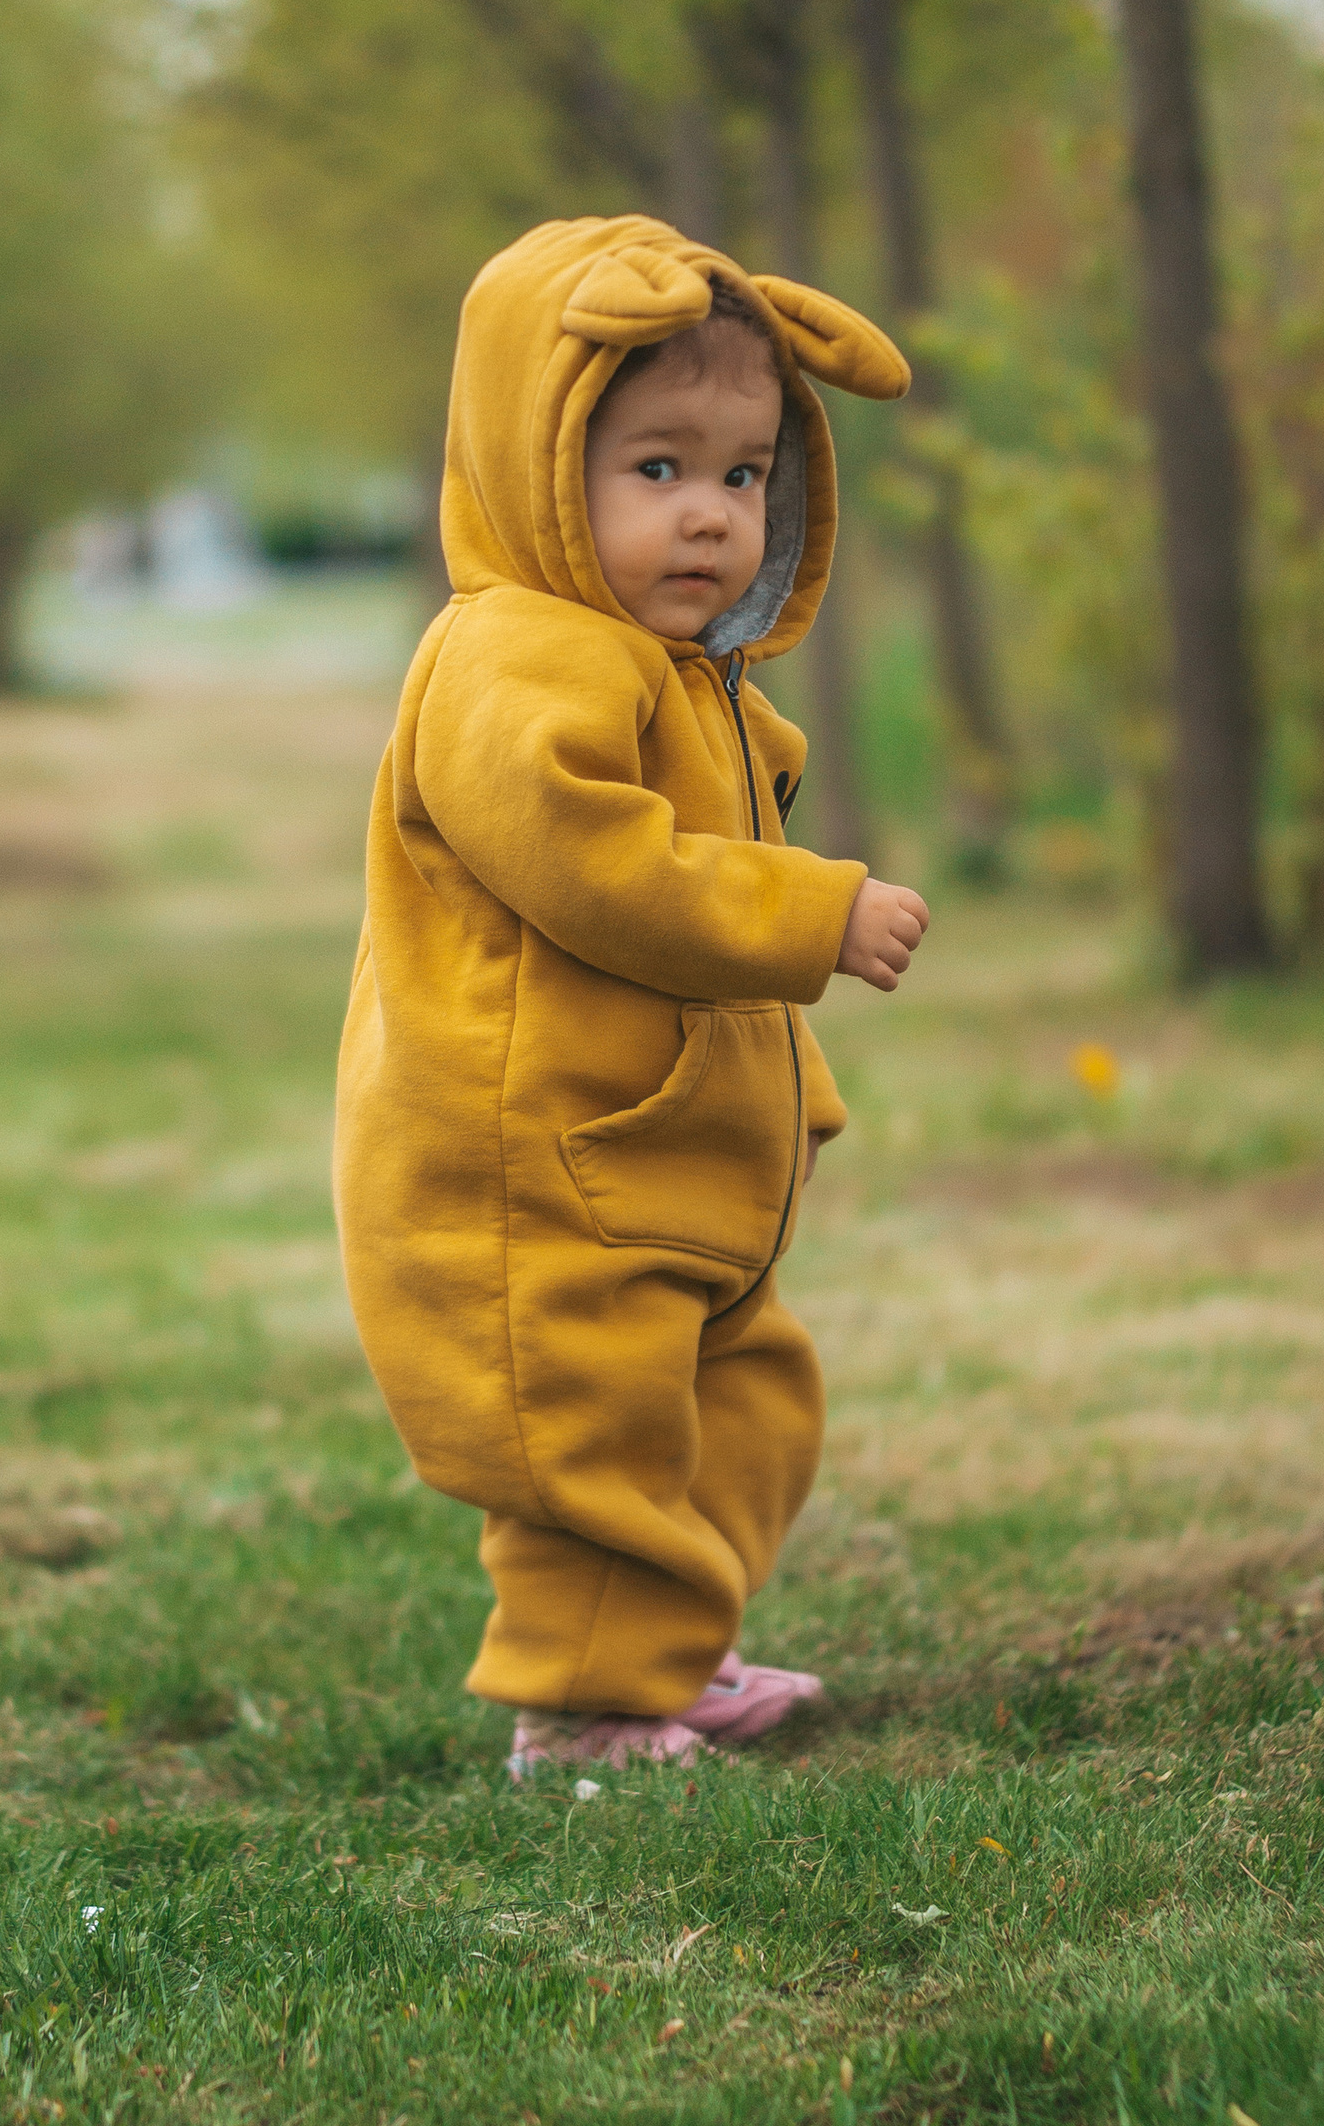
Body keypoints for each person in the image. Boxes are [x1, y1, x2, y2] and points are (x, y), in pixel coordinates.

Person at [335, 214, 932, 1779]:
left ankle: (673, 1650)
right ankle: (589, 1709)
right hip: (546, 1164)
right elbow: (606, 868)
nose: (712, 520)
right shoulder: (511, 660)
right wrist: (816, 908)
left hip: (671, 1162)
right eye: (656, 469)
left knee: (748, 1405)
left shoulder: (686, 676)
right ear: (537, 461)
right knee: (590, 1438)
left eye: (744, 477)